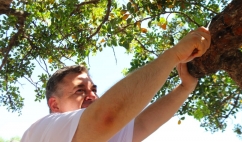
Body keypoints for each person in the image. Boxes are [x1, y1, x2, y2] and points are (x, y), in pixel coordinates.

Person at [21, 26, 211, 142]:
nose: (92, 96)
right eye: (79, 90)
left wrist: (184, 88)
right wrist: (174, 55)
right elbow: (106, 117)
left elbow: (142, 124)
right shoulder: (43, 130)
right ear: (54, 105)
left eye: (93, 89)